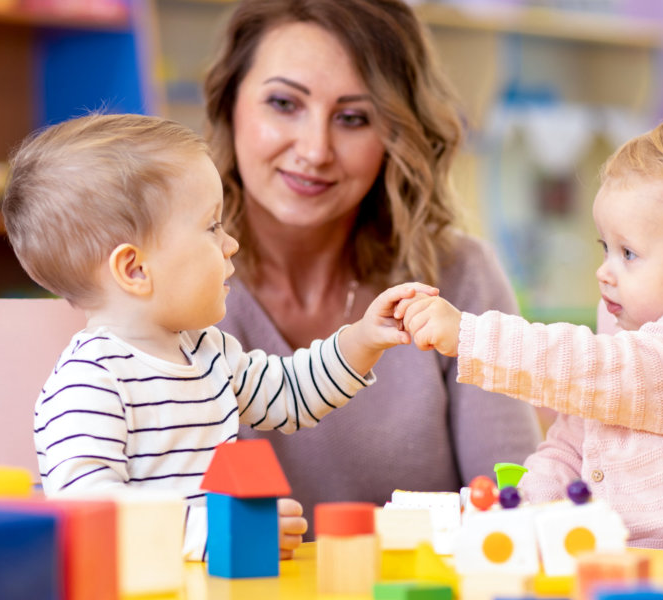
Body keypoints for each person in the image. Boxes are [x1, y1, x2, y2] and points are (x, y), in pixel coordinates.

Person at [3, 113, 434, 559]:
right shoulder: (90, 382)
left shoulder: (209, 354)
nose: (231, 245)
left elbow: (291, 392)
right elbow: (89, 515)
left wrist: (362, 340)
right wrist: (221, 531)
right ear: (134, 269)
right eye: (212, 227)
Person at [201, 0, 542, 528]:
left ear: (394, 136)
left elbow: (518, 505)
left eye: (353, 118)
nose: (315, 150)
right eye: (284, 103)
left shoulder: (459, 276)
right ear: (229, 104)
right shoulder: (162, 288)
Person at [398, 112, 663, 552]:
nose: (604, 272)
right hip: (620, 564)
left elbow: (600, 372)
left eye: (629, 253)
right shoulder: (622, 351)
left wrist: (473, 337)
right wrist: (516, 512)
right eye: (604, 247)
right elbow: (567, 452)